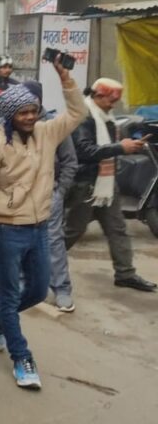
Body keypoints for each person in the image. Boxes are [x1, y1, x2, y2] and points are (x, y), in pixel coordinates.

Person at [0, 61, 85, 390]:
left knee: (37, 290)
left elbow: (77, 113)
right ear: (10, 115)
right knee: (10, 297)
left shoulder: (47, 134)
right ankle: (22, 357)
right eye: (23, 113)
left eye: (34, 111)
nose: (30, 117)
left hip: (40, 228)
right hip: (8, 230)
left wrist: (67, 80)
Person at [65, 78, 156, 292]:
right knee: (72, 231)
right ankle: (39, 267)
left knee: (117, 229)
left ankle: (126, 273)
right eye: (110, 100)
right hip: (87, 184)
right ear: (98, 96)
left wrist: (127, 146)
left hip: (105, 184)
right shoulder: (84, 117)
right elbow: (85, 151)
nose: (113, 104)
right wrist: (120, 148)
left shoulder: (105, 116)